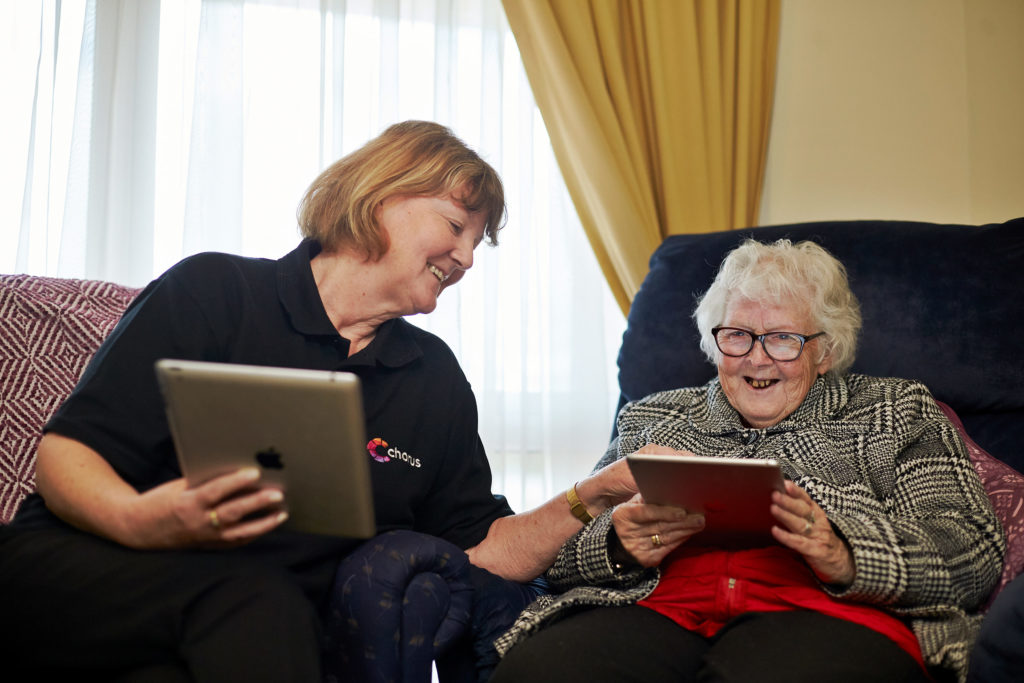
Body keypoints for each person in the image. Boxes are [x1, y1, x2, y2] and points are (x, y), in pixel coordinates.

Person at [0, 121, 633, 681]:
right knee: (257, 603)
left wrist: (595, 493)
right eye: (455, 225)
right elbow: (65, 457)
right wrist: (145, 521)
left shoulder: (431, 378)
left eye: (478, 241)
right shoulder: (214, 291)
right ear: (383, 194)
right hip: (90, 572)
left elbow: (480, 545)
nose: (467, 257)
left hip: (246, 628)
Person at [489, 239, 1006, 683]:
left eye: (783, 338)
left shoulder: (895, 411)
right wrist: (618, 545)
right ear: (714, 344)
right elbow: (560, 561)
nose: (757, 359)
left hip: (827, 614)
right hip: (656, 607)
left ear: (824, 351)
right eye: (737, 335)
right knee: (543, 668)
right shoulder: (653, 416)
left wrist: (845, 551)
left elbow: (971, 549)